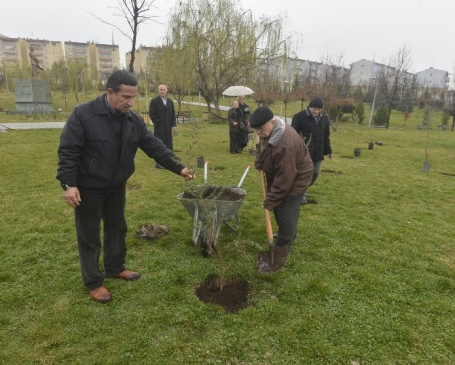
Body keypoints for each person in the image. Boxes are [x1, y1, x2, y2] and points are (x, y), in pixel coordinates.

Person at [56, 70, 195, 304]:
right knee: (89, 235)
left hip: (116, 186)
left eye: (133, 97)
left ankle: (114, 267)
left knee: (117, 228)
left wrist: (177, 167)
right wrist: (69, 184)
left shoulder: (133, 120)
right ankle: (93, 282)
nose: (130, 103)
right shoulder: (84, 114)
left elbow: (153, 145)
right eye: (126, 97)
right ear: (110, 92)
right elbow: (69, 150)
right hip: (89, 187)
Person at [250, 106, 313, 273]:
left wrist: (269, 202)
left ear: (272, 122)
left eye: (260, 128)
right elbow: (262, 151)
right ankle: (288, 233)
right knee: (278, 208)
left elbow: (285, 180)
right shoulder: (268, 133)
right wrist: (259, 162)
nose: (258, 132)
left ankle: (283, 247)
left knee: (285, 212)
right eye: (255, 129)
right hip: (279, 174)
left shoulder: (286, 143)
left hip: (296, 178)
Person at [291, 96, 333, 204]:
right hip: (304, 152)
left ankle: (302, 189)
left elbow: (325, 136)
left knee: (315, 172)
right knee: (303, 173)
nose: (316, 111)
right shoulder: (299, 117)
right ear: (309, 107)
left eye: (319, 109)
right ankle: (300, 193)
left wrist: (329, 150)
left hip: (318, 151)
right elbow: (292, 134)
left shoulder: (324, 119)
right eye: (314, 109)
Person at [149, 84, 176, 168]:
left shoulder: (170, 102)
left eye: (164, 90)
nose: (163, 91)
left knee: (168, 143)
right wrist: (156, 122)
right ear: (158, 90)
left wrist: (173, 124)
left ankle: (169, 160)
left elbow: (173, 114)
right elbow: (151, 113)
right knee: (159, 144)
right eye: (161, 90)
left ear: (167, 90)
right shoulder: (154, 101)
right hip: (159, 127)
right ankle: (159, 163)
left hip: (168, 127)